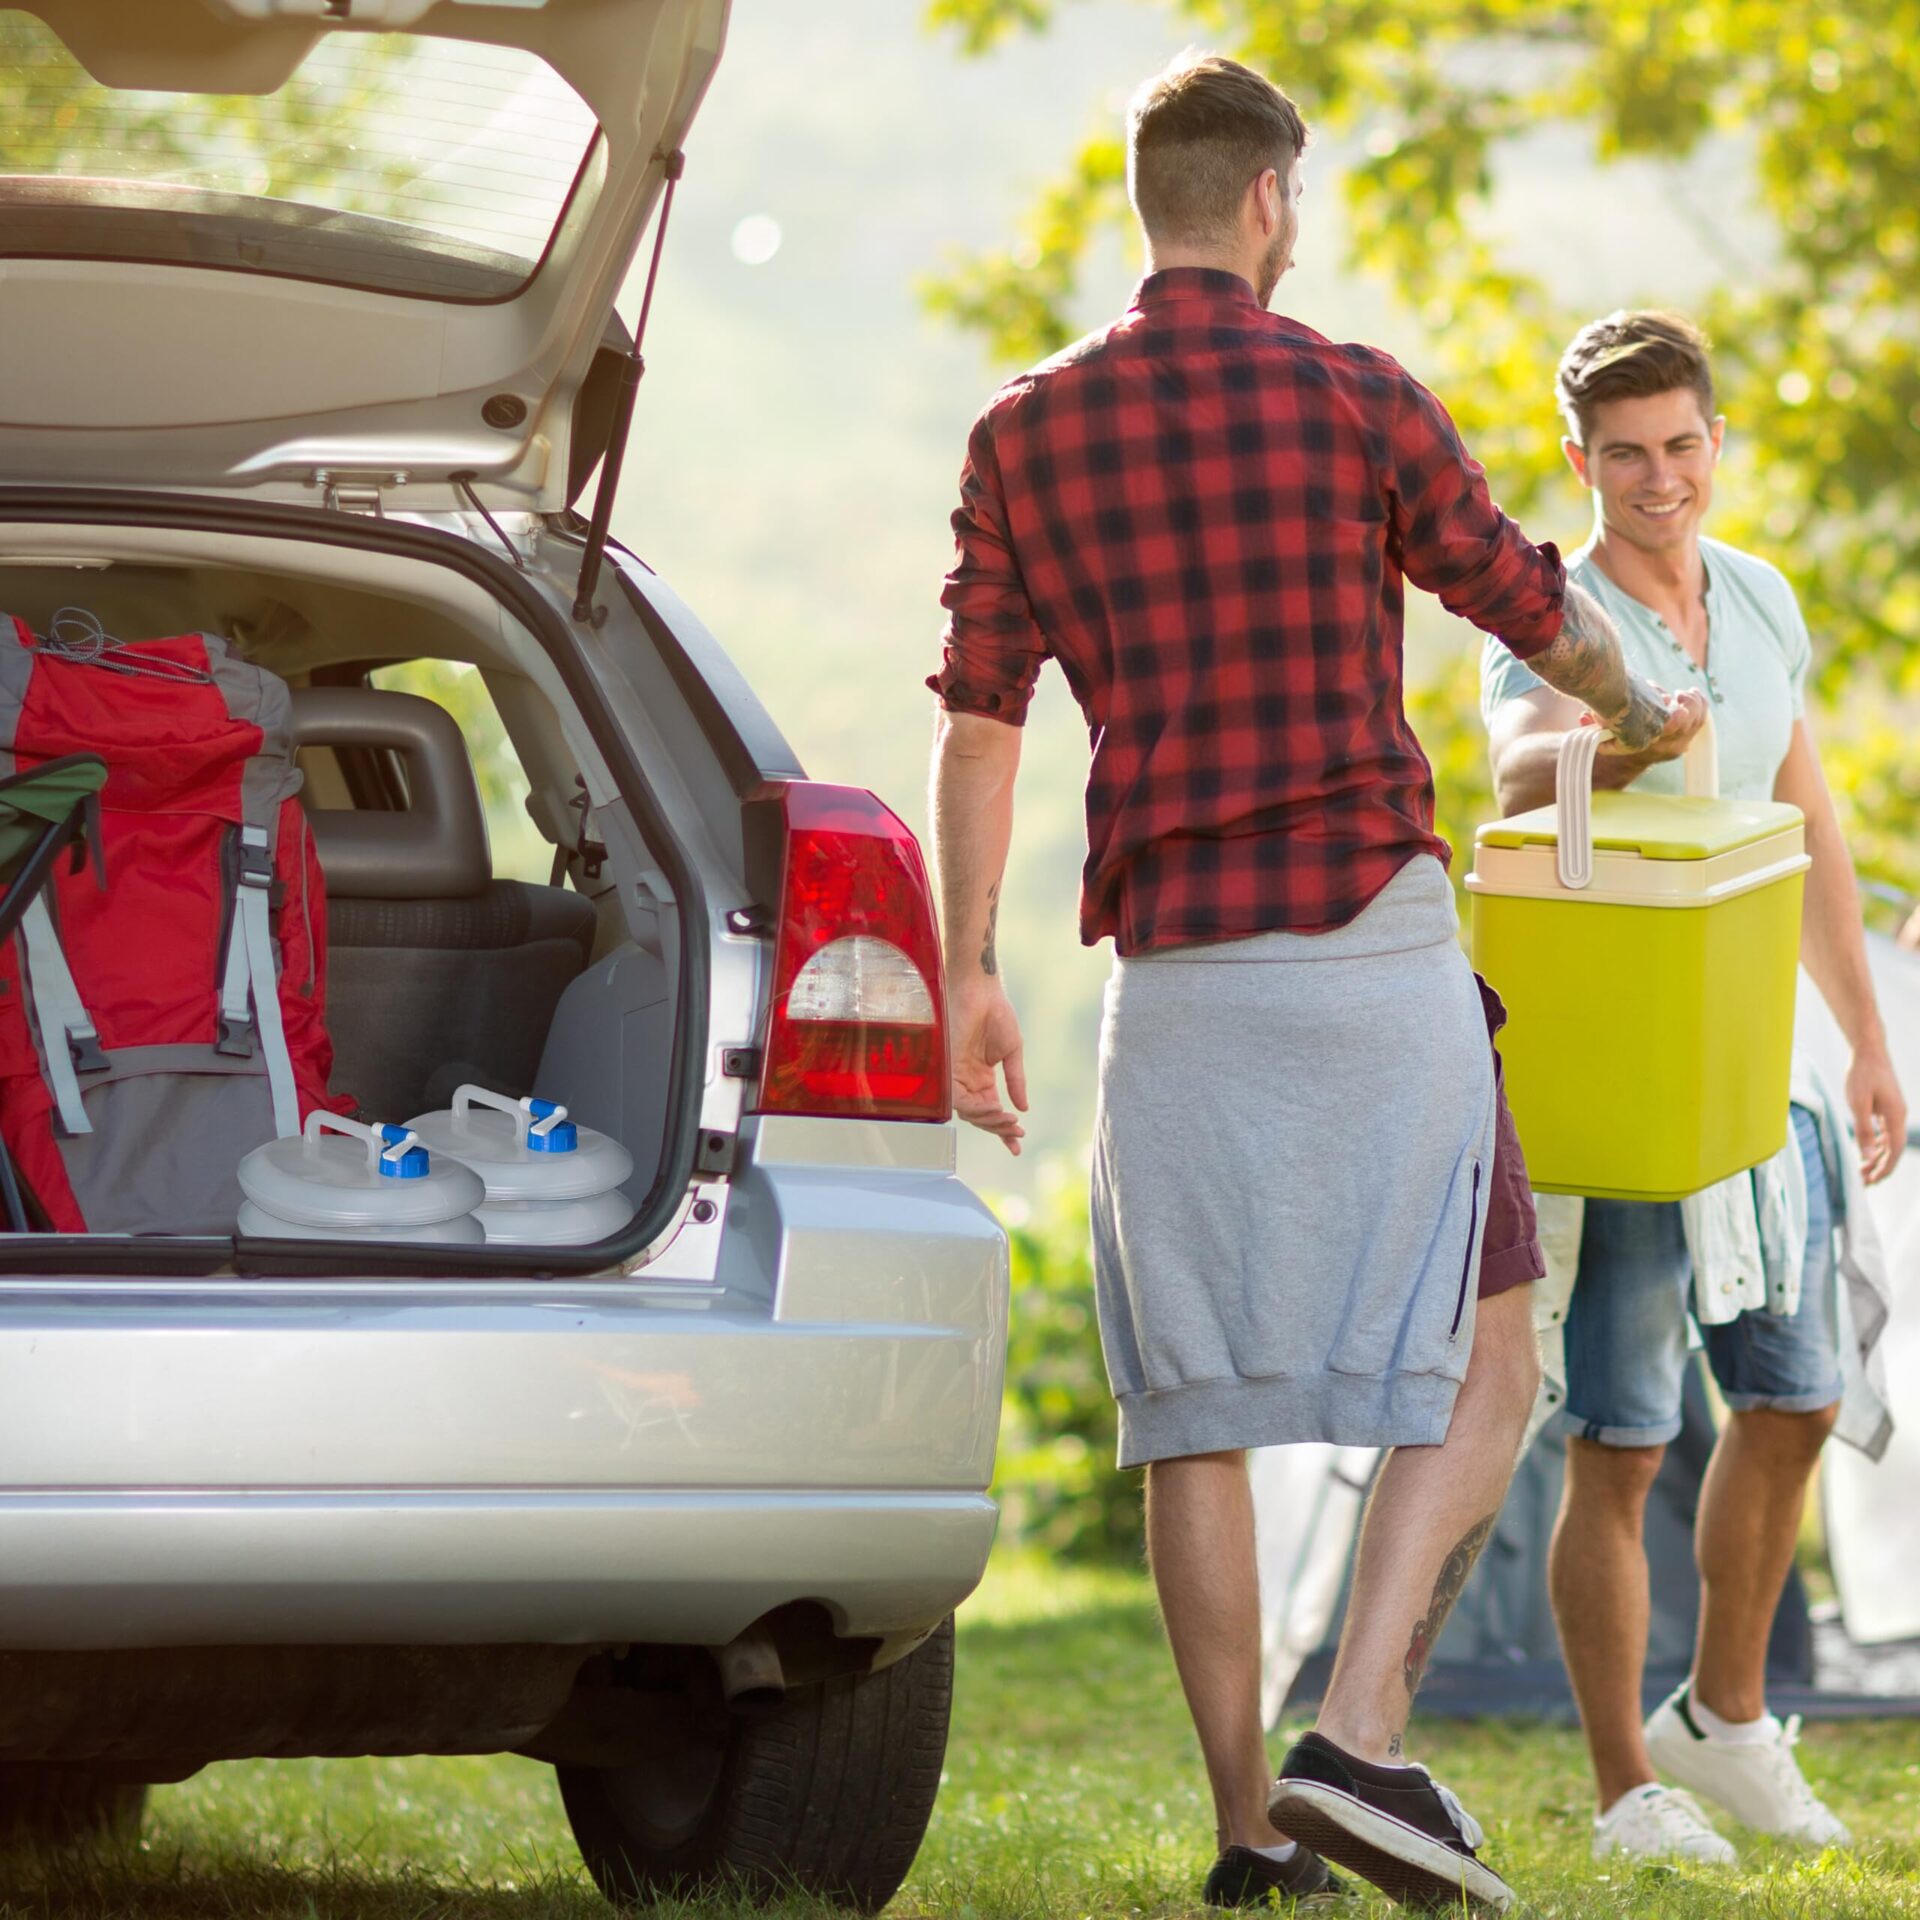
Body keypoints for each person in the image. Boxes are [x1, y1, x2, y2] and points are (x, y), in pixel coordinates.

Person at [928, 53, 1697, 1916]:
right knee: (1492, 1340)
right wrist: (1651, 704)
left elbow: (977, 716)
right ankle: (1359, 1732)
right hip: (1371, 941)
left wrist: (966, 971)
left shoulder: (1022, 432)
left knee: (1199, 1403)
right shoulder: (1356, 395)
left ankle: (1251, 1837)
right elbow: (1526, 596)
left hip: (1174, 972)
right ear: (1270, 199)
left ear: (1154, 204)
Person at [1481, 309, 1907, 1864]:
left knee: (1797, 1397)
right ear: (1578, 458)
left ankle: (1722, 1727)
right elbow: (1517, 769)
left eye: (1681, 447)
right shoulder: (1551, 608)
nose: (1657, 481)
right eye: (1624, 455)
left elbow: (1810, 824)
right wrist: (1626, 734)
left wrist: (1865, 1036)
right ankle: (1623, 1791)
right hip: (1641, 1077)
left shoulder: (1762, 597)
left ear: (1714, 441)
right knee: (1624, 1435)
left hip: (1768, 1070)